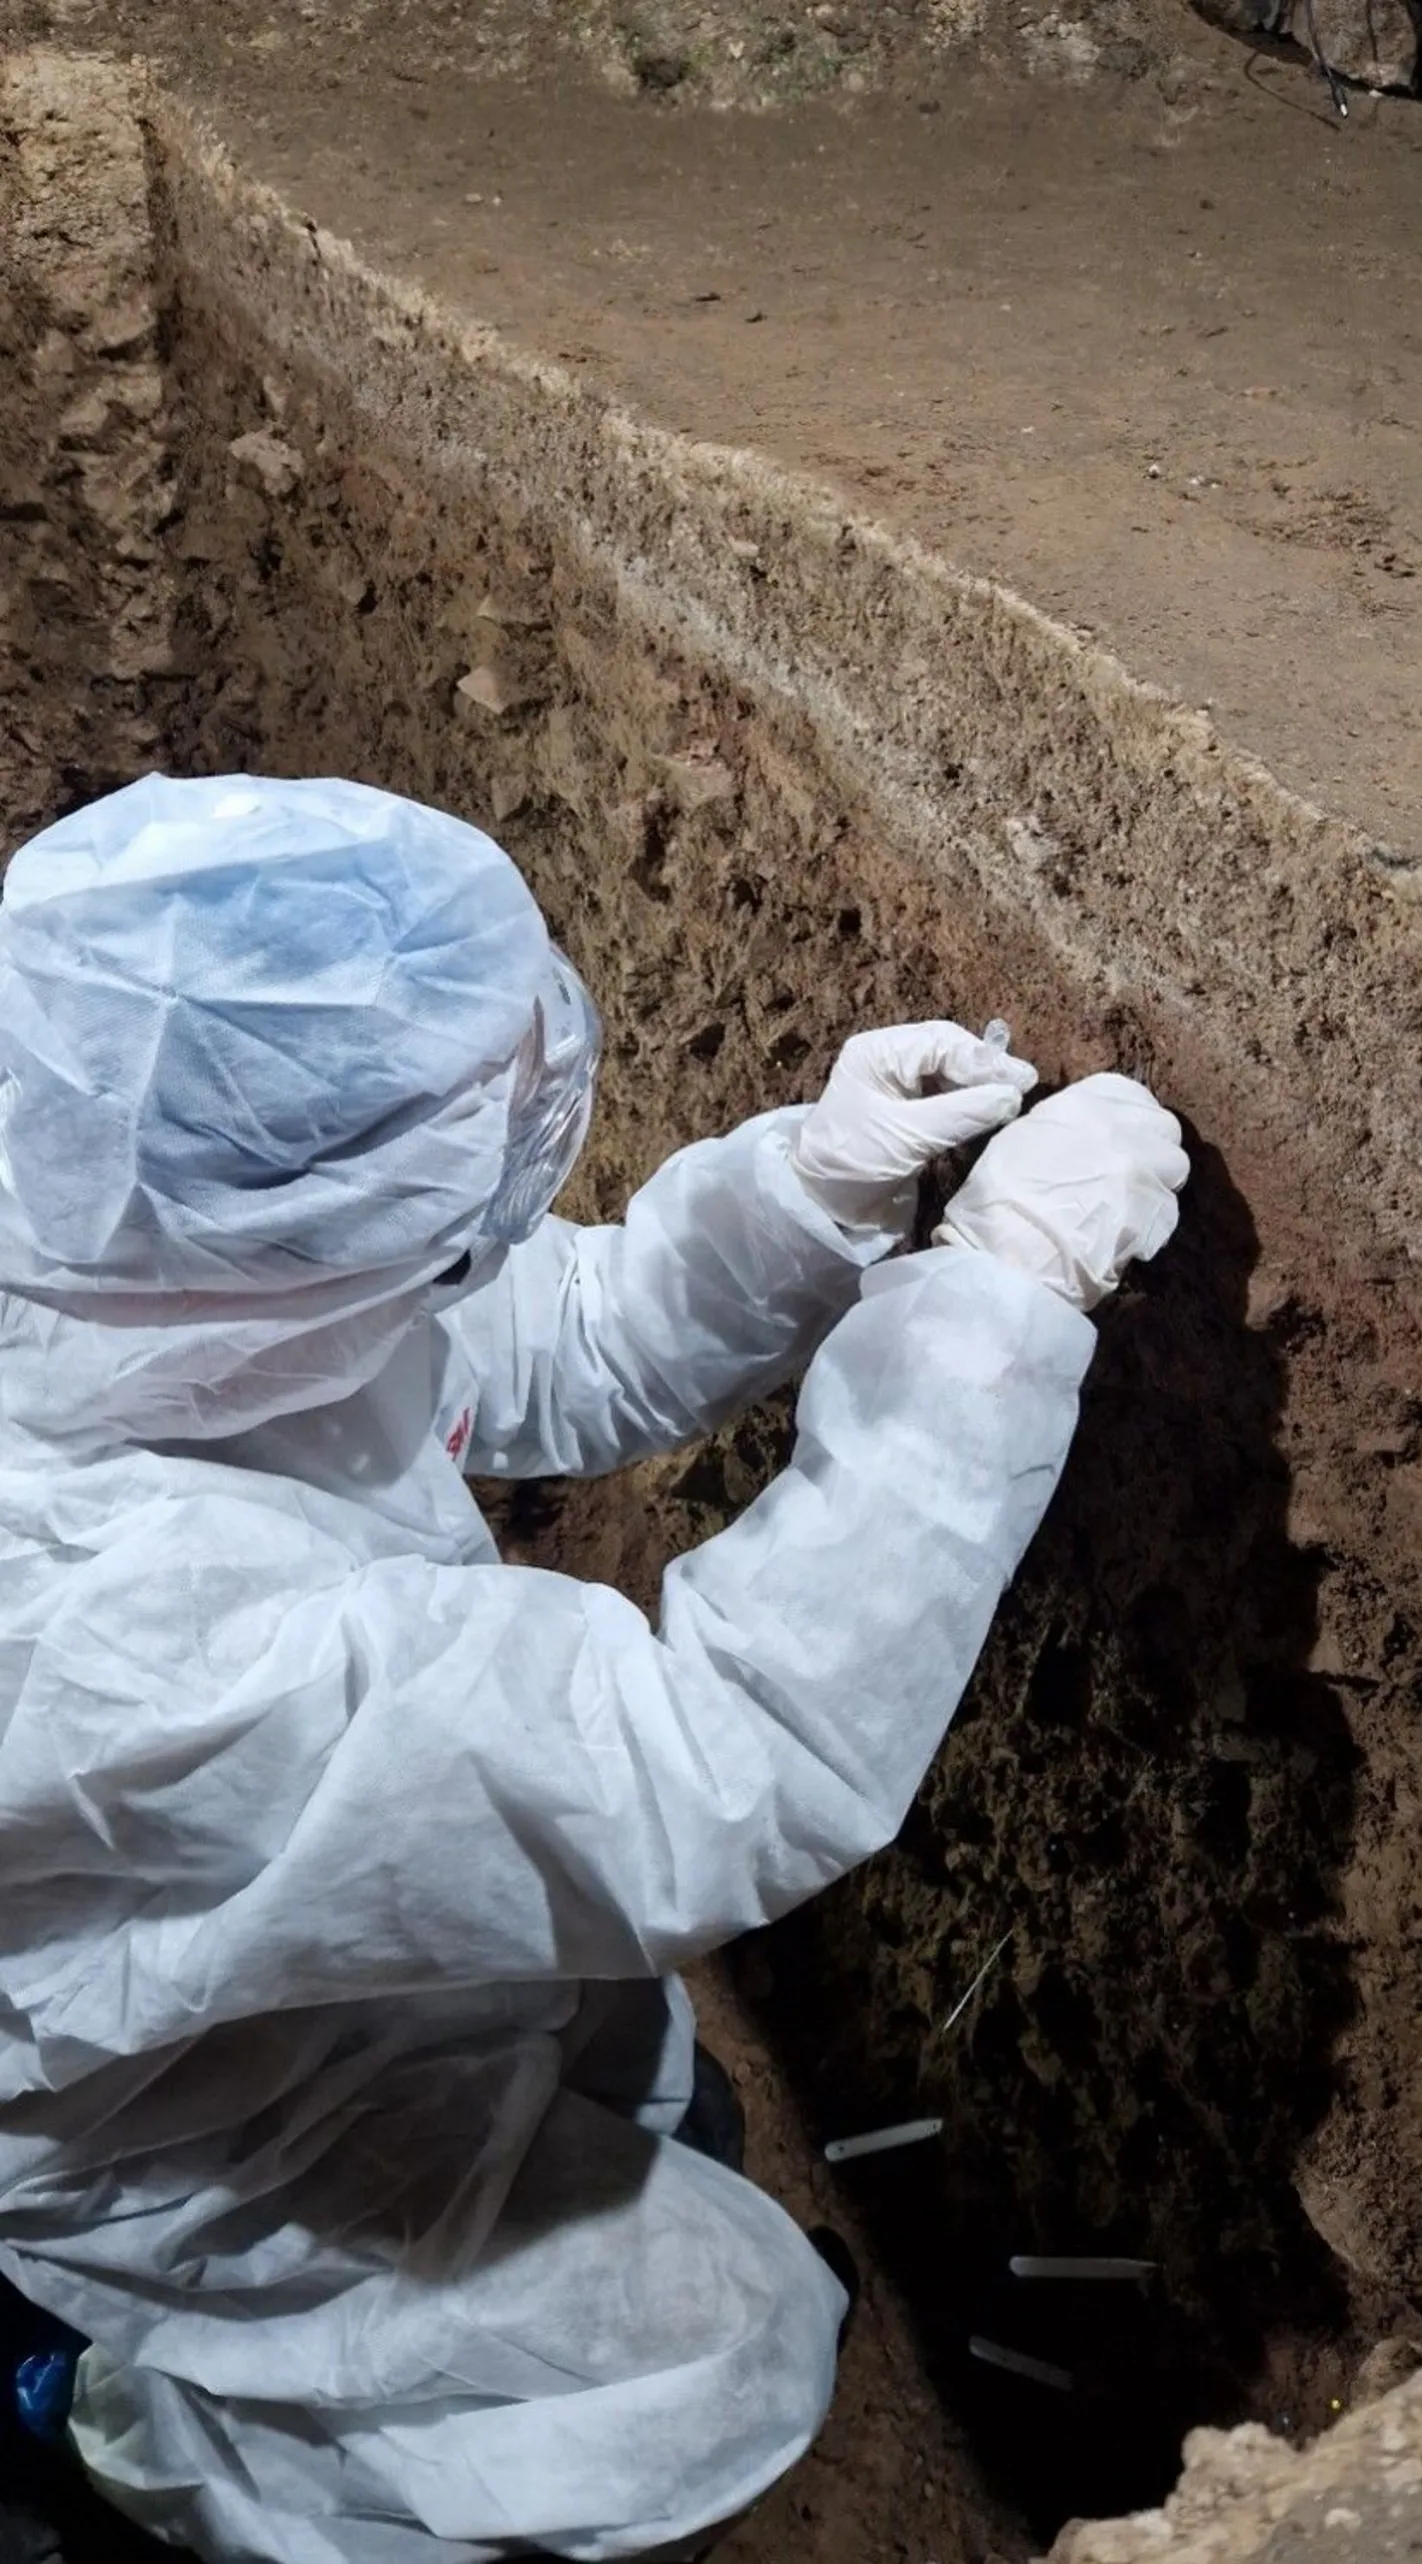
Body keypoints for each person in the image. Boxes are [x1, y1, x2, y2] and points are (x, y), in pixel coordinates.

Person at [0, 775, 1188, 2564]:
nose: (490, 1173)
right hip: (193, 2116)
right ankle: (148, 2451)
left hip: (305, 1955)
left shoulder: (134, 1232)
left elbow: (536, 1330)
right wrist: (993, 1315)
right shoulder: (107, 1626)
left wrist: (809, 1194)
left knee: (624, 2061)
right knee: (718, 2360)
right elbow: (696, 1772)